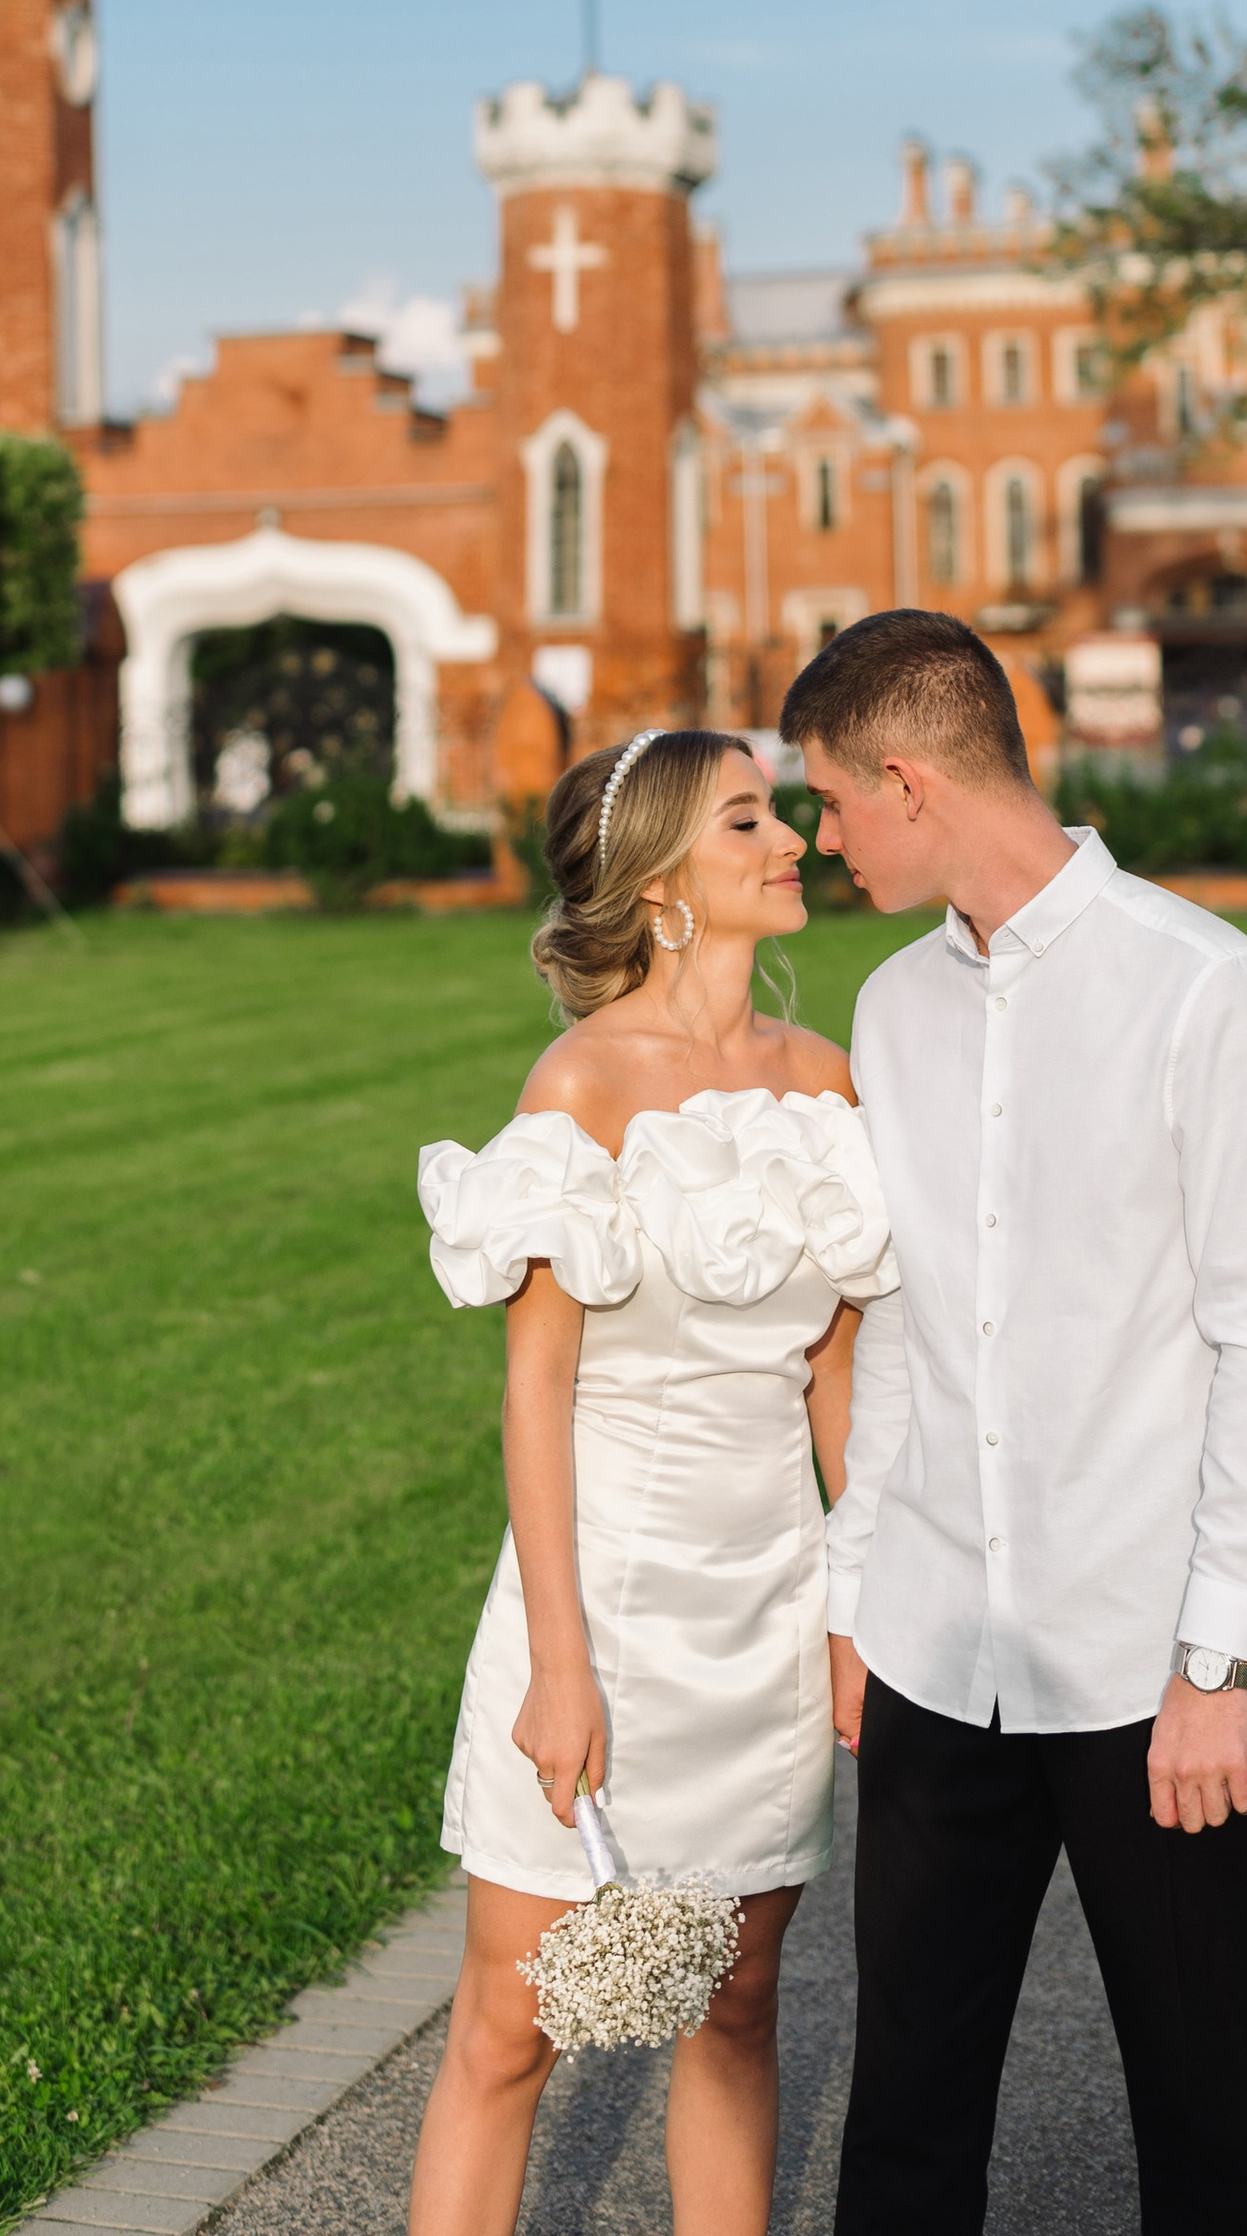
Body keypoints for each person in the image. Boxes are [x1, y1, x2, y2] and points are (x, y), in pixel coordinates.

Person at [783, 610, 1247, 2236]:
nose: (825, 842)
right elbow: (893, 1336)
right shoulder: (894, 1012)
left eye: (832, 804)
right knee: (903, 2117)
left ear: (906, 777)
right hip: (937, 1647)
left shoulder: (1209, 995)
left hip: (1151, 1666)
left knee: (1196, 2117)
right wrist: (855, 1604)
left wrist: (1210, 1672)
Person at [407, 727, 897, 2236]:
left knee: (738, 2007)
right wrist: (561, 1666)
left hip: (767, 1603)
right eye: (751, 818)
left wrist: (856, 1609)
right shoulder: (585, 1083)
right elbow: (536, 1384)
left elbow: (839, 1374)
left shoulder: (827, 1084)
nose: (794, 838)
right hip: (604, 1607)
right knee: (511, 2028)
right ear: (667, 880)